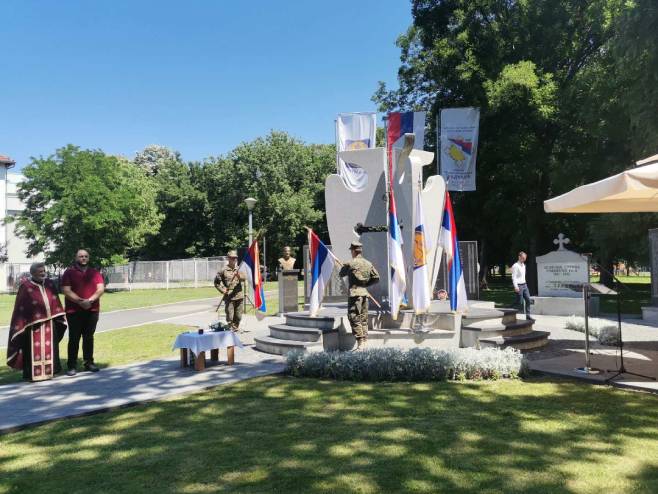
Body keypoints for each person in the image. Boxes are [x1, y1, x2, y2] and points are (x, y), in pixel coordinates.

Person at [6, 263, 67, 381]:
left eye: (44, 271)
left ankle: (51, 371)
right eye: (40, 272)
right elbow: (21, 308)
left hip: (50, 323)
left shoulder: (49, 284)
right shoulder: (26, 287)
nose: (43, 273)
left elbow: (55, 301)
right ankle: (33, 375)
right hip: (32, 326)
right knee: (32, 349)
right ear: (33, 273)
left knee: (51, 347)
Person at [61, 249, 105, 376]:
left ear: (88, 258)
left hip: (92, 310)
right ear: (76, 258)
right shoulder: (69, 272)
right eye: (81, 256)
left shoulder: (95, 273)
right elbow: (66, 290)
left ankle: (89, 363)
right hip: (73, 311)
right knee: (74, 338)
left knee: (88, 337)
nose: (83, 258)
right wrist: (81, 301)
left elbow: (100, 289)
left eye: (86, 256)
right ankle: (71, 366)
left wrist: (90, 301)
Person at [339, 241, 380, 351]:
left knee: (354, 317)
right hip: (364, 294)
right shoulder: (368, 263)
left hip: (354, 294)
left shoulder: (350, 263)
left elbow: (341, 274)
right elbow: (376, 277)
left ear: (353, 251)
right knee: (363, 317)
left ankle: (360, 342)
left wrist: (344, 266)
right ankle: (365, 340)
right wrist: (366, 284)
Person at [214, 250, 246, 332]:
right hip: (229, 297)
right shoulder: (223, 270)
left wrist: (239, 276)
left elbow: (244, 278)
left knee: (238, 316)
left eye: (235, 258)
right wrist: (223, 290)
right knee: (230, 317)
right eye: (232, 258)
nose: (234, 259)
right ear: (228, 258)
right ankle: (230, 330)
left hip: (239, 295)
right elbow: (216, 283)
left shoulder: (239, 269)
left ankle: (236, 328)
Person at [512, 251, 534, 321]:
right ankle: (509, 309)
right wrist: (516, 286)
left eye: (525, 258)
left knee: (528, 300)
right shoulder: (515, 266)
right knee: (519, 302)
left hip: (524, 285)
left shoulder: (523, 265)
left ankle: (528, 316)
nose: (524, 259)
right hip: (519, 285)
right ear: (519, 257)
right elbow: (514, 277)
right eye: (523, 258)